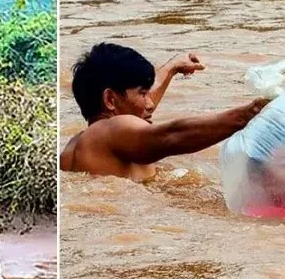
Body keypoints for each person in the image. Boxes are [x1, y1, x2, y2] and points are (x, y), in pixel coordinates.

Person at [60, 42, 270, 180]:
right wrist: (250, 113)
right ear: (110, 99)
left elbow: (136, 118)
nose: (150, 103)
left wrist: (172, 67)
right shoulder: (110, 130)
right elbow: (171, 135)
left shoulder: (81, 143)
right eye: (142, 93)